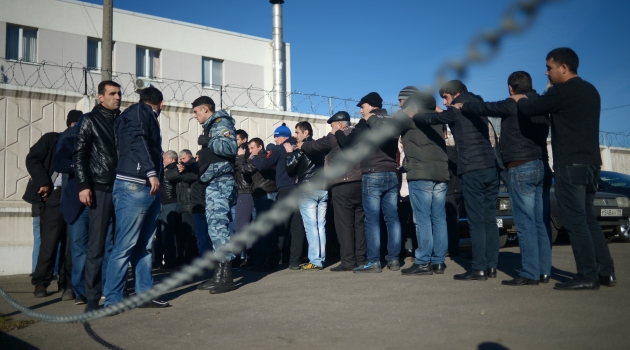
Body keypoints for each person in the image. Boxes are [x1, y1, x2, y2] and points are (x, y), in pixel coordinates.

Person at [512, 47, 616, 290]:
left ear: (564, 67)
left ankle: (587, 276)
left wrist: (521, 98)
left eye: (549, 67)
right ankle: (606, 272)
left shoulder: (562, 91)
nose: (546, 73)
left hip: (570, 164)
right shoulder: (591, 90)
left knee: (575, 221)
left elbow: (530, 109)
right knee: (589, 219)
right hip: (592, 164)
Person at [455, 71, 552, 286]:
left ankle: (529, 273)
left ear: (511, 88)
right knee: (540, 223)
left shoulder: (515, 102)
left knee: (525, 223)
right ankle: (544, 271)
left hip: (520, 165)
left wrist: (464, 106)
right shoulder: (541, 103)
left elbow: (487, 108)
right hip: (541, 165)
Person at [408, 81, 499, 281]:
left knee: (476, 221)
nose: (445, 101)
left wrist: (415, 115)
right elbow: (444, 114)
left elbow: (435, 119)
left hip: (472, 169)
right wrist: (441, 108)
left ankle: (479, 268)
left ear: (456, 94)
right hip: (491, 168)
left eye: (446, 97)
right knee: (489, 220)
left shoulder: (457, 109)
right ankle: (492, 266)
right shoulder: (477, 105)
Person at [103, 86, 169, 308]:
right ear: (160, 103)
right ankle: (112, 299)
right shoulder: (140, 112)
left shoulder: (137, 113)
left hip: (144, 187)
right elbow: (138, 141)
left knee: (143, 246)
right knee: (125, 246)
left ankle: (144, 295)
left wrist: (156, 179)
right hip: (135, 184)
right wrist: (151, 173)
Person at [335, 92, 401, 273]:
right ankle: (394, 260)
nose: (360, 111)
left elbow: (348, 144)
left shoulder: (367, 122)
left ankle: (373, 262)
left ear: (371, 106)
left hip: (373, 173)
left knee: (372, 220)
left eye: (362, 107)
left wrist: (338, 132)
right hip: (391, 173)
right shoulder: (391, 120)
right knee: (392, 218)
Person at [73, 80, 120, 311]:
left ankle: (113, 292)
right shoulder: (89, 120)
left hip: (122, 188)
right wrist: (84, 185)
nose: (117, 97)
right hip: (100, 188)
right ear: (100, 97)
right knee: (97, 245)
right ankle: (92, 297)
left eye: (119, 93)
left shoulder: (123, 120)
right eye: (112, 93)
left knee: (118, 246)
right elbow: (79, 154)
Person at [298, 111, 366, 272]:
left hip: (342, 184)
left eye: (332, 125)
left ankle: (348, 261)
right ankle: (361, 259)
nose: (331, 129)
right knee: (360, 224)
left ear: (340, 125)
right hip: (360, 182)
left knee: (344, 225)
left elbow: (316, 146)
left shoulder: (335, 136)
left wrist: (302, 145)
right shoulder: (359, 134)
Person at [395, 92, 449, 276]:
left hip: (420, 173)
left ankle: (423, 261)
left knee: (422, 219)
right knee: (439, 218)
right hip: (441, 173)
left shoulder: (410, 119)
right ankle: (439, 261)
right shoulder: (439, 119)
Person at [25, 112, 78, 299]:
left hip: (75, 194)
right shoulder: (51, 140)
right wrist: (43, 182)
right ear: (71, 124)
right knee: (49, 242)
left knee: (72, 244)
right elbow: (32, 159)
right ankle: (41, 282)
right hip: (54, 195)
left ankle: (68, 285)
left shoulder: (85, 143)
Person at [193, 96, 238, 294]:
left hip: (222, 181)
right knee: (214, 229)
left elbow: (230, 148)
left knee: (219, 227)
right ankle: (218, 275)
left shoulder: (222, 123)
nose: (195, 116)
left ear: (205, 109)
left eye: (196, 112)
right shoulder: (212, 125)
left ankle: (226, 277)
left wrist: (209, 141)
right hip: (213, 182)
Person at [252, 124, 307, 270]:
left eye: (276, 136)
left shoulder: (278, 148)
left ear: (281, 136)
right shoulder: (299, 147)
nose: (275, 139)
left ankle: (273, 261)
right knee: (297, 227)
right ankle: (294, 262)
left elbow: (264, 165)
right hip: (300, 190)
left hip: (286, 191)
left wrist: (255, 158)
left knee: (280, 227)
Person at [53, 110, 91, 305]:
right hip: (76, 202)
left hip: (99, 200)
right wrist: (80, 166)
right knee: (78, 249)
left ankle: (95, 287)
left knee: (100, 247)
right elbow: (58, 162)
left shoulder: (98, 143)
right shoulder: (69, 141)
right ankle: (79, 290)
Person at [285, 121, 327, 270]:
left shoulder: (301, 149)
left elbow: (290, 168)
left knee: (311, 227)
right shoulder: (319, 148)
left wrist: (290, 152)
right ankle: (320, 258)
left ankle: (315, 260)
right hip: (322, 188)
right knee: (320, 226)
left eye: (297, 132)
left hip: (307, 189)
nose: (295, 135)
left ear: (306, 132)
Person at [236, 138, 278, 271]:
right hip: (264, 194)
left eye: (252, 148)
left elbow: (243, 169)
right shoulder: (263, 157)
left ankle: (262, 263)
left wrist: (241, 157)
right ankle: (264, 261)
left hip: (265, 194)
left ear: (260, 147)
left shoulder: (260, 158)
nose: (250, 151)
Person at [165, 149, 199, 267]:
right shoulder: (181, 168)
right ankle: (187, 259)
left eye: (183, 159)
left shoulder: (193, 166)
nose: (181, 162)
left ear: (190, 157)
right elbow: (171, 175)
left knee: (191, 234)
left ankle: (191, 260)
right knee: (185, 234)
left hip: (189, 204)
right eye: (180, 159)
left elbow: (191, 175)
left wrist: (185, 169)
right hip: (185, 204)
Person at [233, 129, 255, 263]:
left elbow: (243, 169)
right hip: (245, 192)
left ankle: (235, 260)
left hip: (245, 192)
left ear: (244, 140)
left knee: (239, 227)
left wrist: (239, 157)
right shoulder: (242, 155)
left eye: (237, 140)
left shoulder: (244, 154)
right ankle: (250, 258)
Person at [155, 150, 179, 268]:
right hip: (164, 203)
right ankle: (160, 259)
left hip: (170, 203)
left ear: (171, 159)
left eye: (164, 159)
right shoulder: (165, 170)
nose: (163, 161)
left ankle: (170, 260)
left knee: (168, 233)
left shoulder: (172, 170)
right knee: (161, 233)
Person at [444, 126, 462, 258]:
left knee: (449, 220)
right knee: (455, 220)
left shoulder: (445, 151)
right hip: (458, 188)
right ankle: (455, 248)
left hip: (449, 188)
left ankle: (452, 248)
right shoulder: (457, 150)